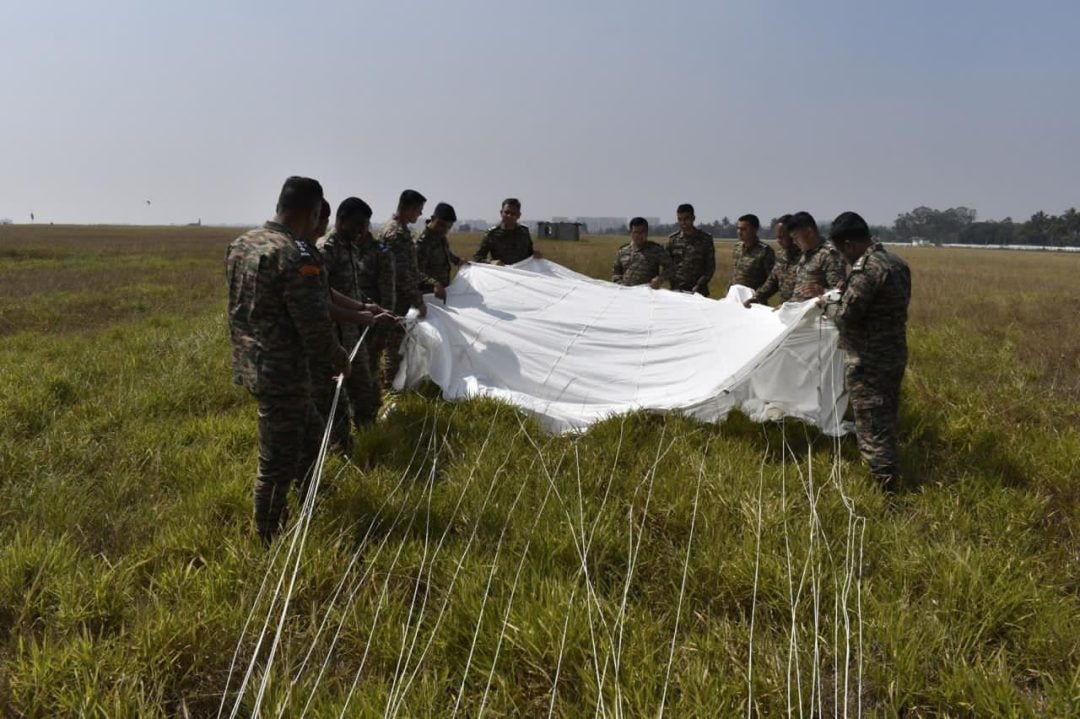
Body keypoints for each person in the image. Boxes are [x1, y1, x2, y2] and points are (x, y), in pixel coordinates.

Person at [225, 176, 348, 543]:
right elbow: (313, 324)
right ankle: (269, 540)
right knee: (276, 463)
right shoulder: (294, 255)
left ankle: (310, 499)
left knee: (311, 434)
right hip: (283, 372)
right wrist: (339, 358)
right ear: (312, 213)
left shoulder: (241, 244)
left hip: (252, 364)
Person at [818, 211, 911, 487]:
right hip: (893, 354)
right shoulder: (897, 263)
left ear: (849, 244)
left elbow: (847, 316)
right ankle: (888, 474)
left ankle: (886, 491)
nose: (842, 258)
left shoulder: (866, 268)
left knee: (871, 427)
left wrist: (827, 304)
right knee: (885, 419)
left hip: (869, 361)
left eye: (840, 251)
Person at [315, 197, 397, 449]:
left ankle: (368, 435)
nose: (361, 231)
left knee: (365, 388)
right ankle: (338, 446)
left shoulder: (349, 246)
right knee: (336, 394)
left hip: (352, 330)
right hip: (333, 335)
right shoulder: (326, 249)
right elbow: (322, 295)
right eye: (357, 225)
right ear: (341, 219)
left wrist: (365, 305)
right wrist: (359, 313)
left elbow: (348, 288)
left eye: (365, 226)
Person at [377, 189, 428, 389]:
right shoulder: (396, 233)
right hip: (395, 298)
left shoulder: (398, 229)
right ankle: (389, 386)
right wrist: (418, 301)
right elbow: (401, 273)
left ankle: (388, 383)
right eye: (419, 210)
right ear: (410, 208)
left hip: (396, 296)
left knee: (393, 344)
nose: (420, 214)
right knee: (394, 346)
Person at [787, 211, 847, 301]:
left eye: (796, 237)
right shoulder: (807, 254)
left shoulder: (829, 255)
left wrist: (823, 291)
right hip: (799, 311)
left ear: (809, 232)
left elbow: (840, 297)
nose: (794, 242)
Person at [745, 214, 801, 307]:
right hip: (783, 308)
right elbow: (773, 280)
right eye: (777, 236)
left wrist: (789, 305)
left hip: (799, 308)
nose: (778, 240)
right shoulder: (781, 254)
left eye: (782, 236)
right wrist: (757, 297)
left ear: (793, 234)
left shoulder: (805, 256)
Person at [416, 202, 465, 301]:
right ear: (433, 218)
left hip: (442, 292)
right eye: (441, 225)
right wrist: (434, 283)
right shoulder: (422, 241)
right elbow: (415, 271)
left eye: (449, 227)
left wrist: (457, 260)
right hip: (426, 296)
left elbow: (445, 252)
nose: (445, 230)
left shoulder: (439, 236)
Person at [472, 198, 543, 265]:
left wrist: (535, 254)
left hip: (522, 273)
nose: (509, 216)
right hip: (502, 274)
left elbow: (529, 252)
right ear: (501, 213)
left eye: (513, 213)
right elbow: (477, 258)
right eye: (507, 212)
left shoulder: (524, 231)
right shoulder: (492, 233)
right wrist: (491, 262)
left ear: (519, 215)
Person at [666, 203, 715, 295]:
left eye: (686, 219)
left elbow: (710, 267)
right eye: (680, 219)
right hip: (677, 290)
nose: (683, 222)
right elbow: (667, 265)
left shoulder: (705, 239)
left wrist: (699, 285)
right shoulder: (672, 240)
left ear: (693, 218)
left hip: (698, 291)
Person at [612, 217, 671, 287]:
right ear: (630, 233)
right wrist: (619, 284)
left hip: (648, 293)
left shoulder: (656, 250)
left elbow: (671, 268)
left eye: (642, 232)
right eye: (636, 232)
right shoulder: (622, 251)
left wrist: (660, 279)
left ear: (647, 232)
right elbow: (616, 273)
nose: (639, 235)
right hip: (626, 293)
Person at [729, 214, 775, 297]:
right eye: (738, 228)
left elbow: (772, 280)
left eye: (744, 229)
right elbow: (734, 273)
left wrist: (758, 296)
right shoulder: (737, 248)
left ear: (754, 230)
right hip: (734, 295)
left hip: (753, 299)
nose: (739, 232)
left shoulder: (765, 251)